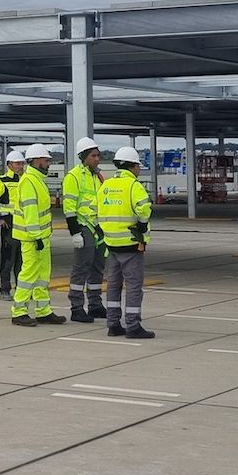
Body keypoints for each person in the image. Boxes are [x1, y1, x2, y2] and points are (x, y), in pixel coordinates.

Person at [96, 145, 155, 338]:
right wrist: (141, 225)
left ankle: (113, 324)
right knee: (133, 287)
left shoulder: (106, 185)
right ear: (133, 166)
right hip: (131, 245)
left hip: (111, 245)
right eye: (138, 166)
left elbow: (92, 208)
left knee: (113, 286)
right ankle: (133, 325)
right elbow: (144, 208)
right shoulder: (133, 185)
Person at [10, 143, 67, 326]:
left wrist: (41, 236)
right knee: (28, 274)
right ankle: (19, 312)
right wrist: (36, 236)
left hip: (41, 237)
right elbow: (30, 211)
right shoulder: (29, 181)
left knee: (43, 275)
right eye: (45, 160)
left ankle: (43, 311)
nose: (48, 163)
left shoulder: (37, 179)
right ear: (35, 161)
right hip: (32, 238)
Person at [61, 137, 107, 323]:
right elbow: (69, 207)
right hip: (83, 226)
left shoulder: (97, 176)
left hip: (98, 227)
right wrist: (75, 233)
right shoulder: (73, 177)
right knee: (81, 268)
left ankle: (95, 305)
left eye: (98, 155)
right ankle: (77, 307)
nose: (97, 159)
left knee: (98, 268)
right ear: (84, 157)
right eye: (93, 156)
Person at [0, 147, 28, 299]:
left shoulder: (26, 180)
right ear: (9, 165)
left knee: (23, 260)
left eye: (22, 163)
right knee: (9, 258)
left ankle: (22, 290)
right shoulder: (2, 181)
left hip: (24, 223)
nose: (21, 166)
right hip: (9, 223)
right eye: (17, 164)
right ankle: (5, 289)